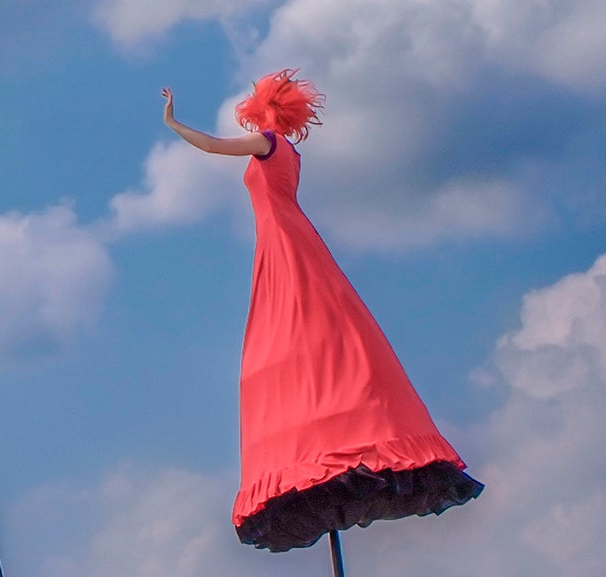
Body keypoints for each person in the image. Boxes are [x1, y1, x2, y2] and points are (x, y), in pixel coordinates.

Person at [161, 71, 482, 551]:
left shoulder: (267, 143)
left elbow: (210, 147)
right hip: (286, 235)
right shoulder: (290, 151)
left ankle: (329, 426)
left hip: (285, 240)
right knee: (301, 323)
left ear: (266, 110)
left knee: (293, 320)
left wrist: (172, 122)